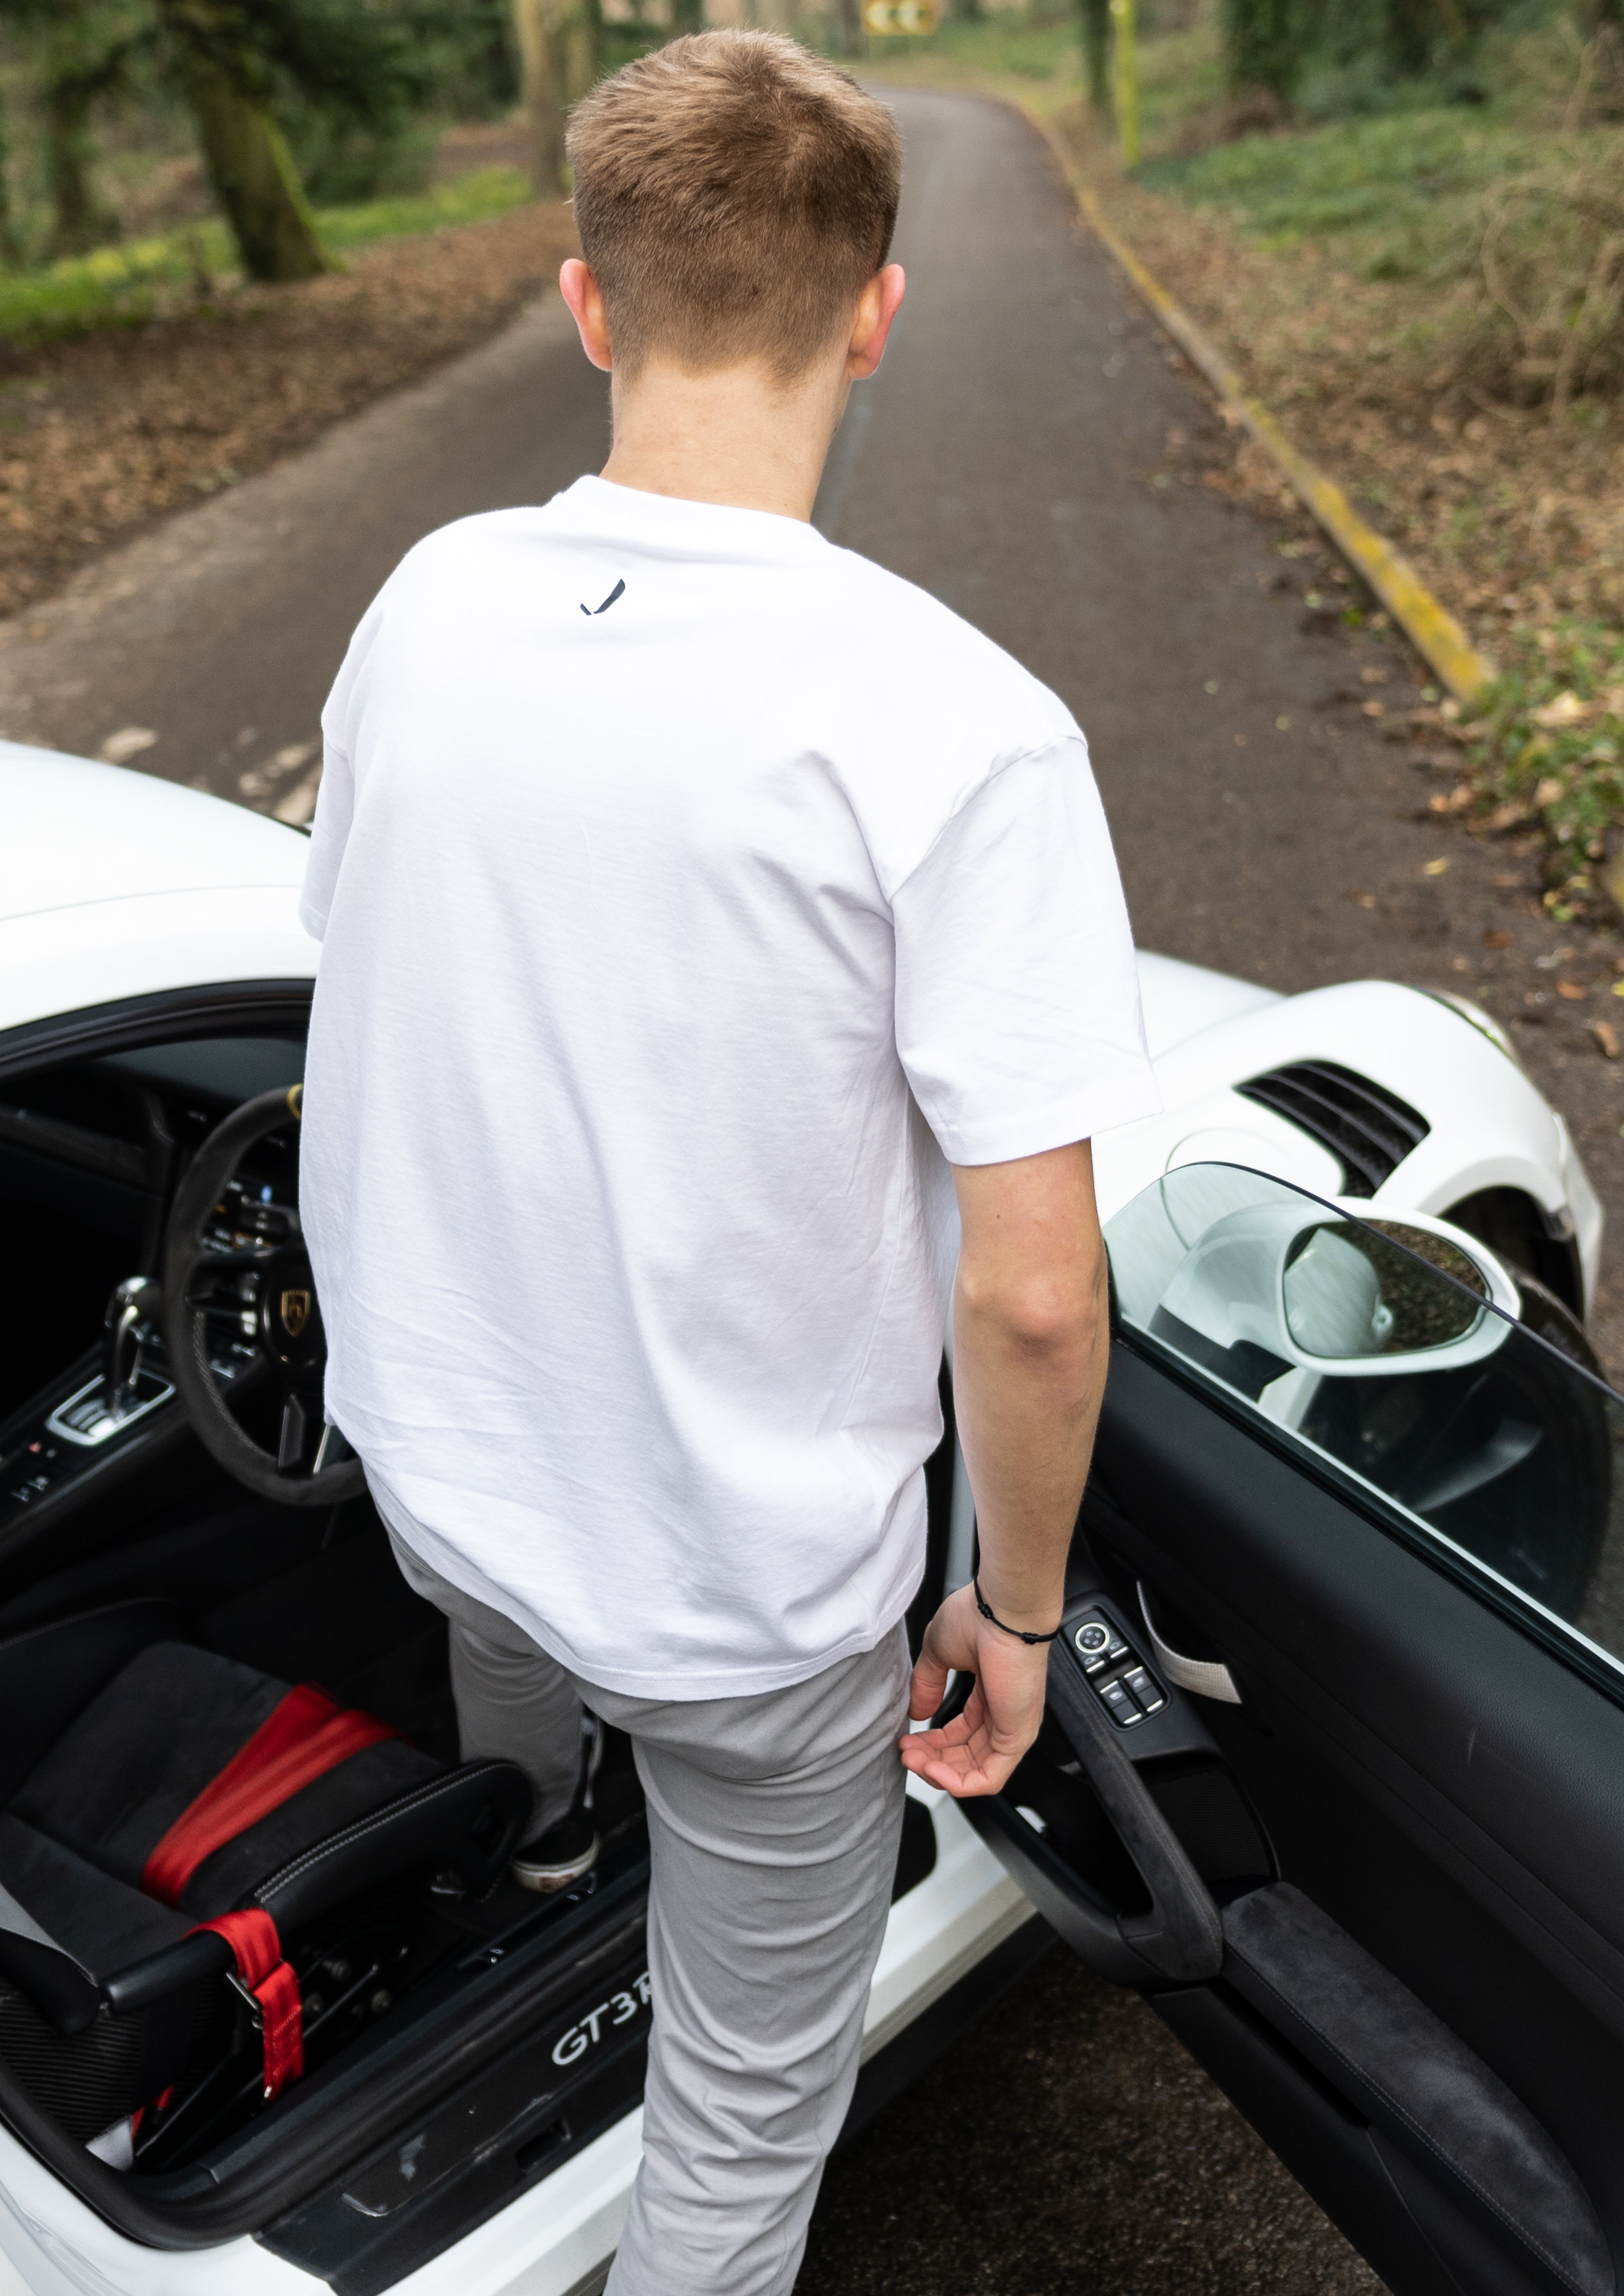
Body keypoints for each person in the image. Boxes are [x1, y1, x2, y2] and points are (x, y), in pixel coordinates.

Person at [296, 30, 1157, 2294]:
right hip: (743, 1605)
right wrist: (1019, 1616)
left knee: (507, 1649)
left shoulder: (424, 602)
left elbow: (375, 964)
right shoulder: (960, 729)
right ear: (875, 316)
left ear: (589, 306)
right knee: (744, 2106)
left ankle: (533, 1829)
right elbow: (1035, 1293)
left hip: (441, 1469)